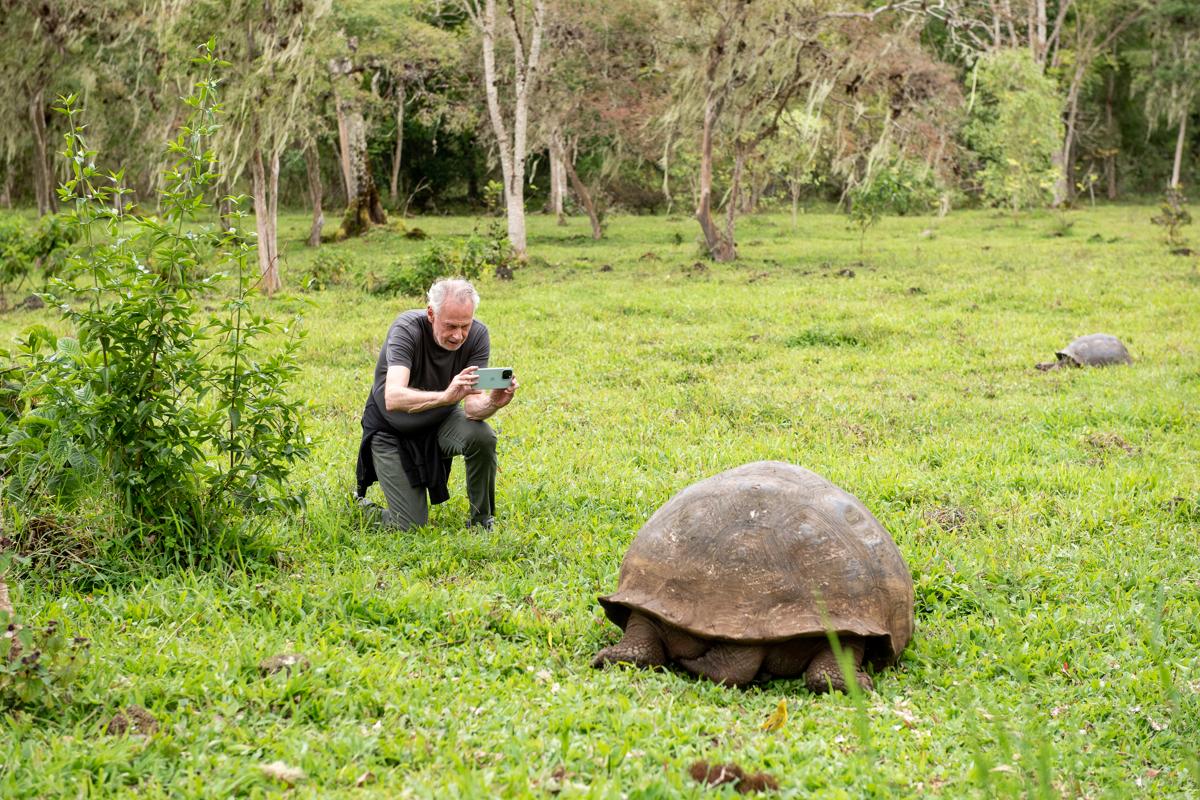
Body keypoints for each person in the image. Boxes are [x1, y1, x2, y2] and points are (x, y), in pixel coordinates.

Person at [355, 278, 517, 530]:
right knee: (409, 526)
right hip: (391, 432)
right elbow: (393, 397)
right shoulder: (407, 329)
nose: (458, 335)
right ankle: (361, 507)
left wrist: (495, 402)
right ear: (431, 313)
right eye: (451, 325)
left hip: (439, 422)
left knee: (482, 435)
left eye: (465, 325)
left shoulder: (477, 336)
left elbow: (473, 408)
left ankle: (481, 520)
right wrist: (445, 398)